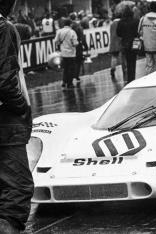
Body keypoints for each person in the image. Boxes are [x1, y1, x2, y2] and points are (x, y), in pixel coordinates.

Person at [0, 0, 34, 232]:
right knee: (17, 189)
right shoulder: (4, 28)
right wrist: (21, 107)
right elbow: (4, 80)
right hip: (5, 118)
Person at [139, 1, 156, 74]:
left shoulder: (143, 18)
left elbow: (139, 31)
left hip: (147, 46)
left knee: (149, 65)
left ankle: (149, 81)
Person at [117, 6, 139, 83]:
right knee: (133, 60)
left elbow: (118, 33)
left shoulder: (121, 22)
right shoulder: (136, 21)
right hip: (135, 42)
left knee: (127, 61)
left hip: (125, 43)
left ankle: (129, 79)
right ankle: (133, 77)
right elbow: (138, 32)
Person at [54, 18, 78, 88]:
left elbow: (56, 41)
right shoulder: (72, 32)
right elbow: (75, 43)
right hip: (71, 53)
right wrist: (76, 44)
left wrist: (60, 43)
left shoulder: (59, 31)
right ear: (70, 24)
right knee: (71, 69)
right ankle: (70, 83)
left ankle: (64, 81)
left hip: (63, 53)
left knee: (65, 68)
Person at [70, 13, 88, 82]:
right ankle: (76, 75)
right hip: (77, 46)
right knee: (78, 61)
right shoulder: (78, 26)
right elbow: (82, 37)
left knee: (71, 61)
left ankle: (71, 76)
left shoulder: (69, 27)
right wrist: (85, 46)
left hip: (70, 46)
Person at [109, 12, 126, 81]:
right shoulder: (121, 23)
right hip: (120, 41)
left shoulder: (112, 24)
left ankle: (112, 69)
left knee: (114, 57)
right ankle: (124, 69)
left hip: (113, 41)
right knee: (123, 57)